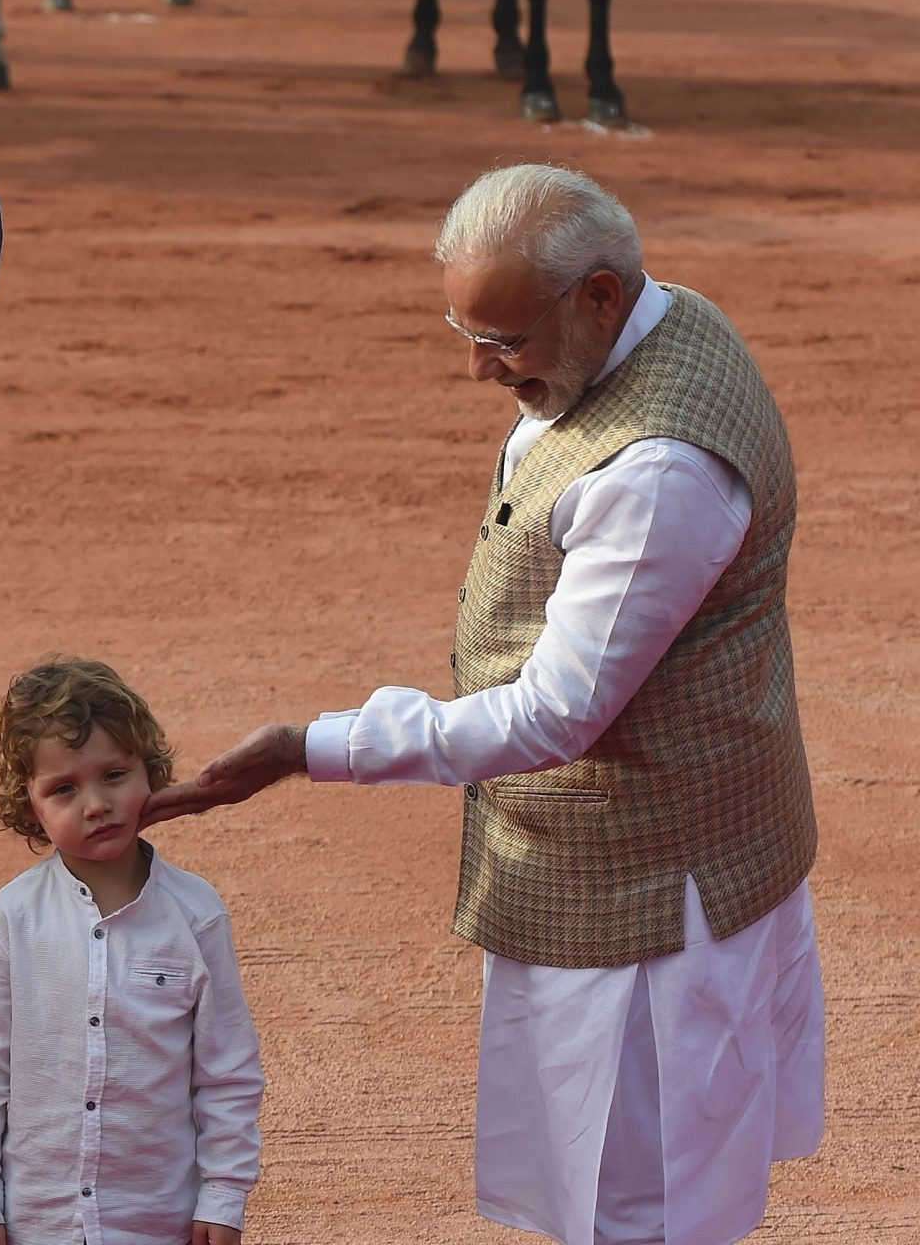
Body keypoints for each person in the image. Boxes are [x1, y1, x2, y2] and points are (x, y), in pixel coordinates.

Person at [148, 163, 824, 1245]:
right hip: (656, 858)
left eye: (504, 340)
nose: (476, 367)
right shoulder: (663, 324)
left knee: (636, 1211)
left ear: (600, 295)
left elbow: (555, 715)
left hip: (647, 904)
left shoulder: (658, 471)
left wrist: (311, 745)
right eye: (463, 328)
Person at [0, 658, 264, 1245]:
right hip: (35, 1223)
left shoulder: (196, 915)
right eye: (63, 788)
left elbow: (226, 1072)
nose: (95, 804)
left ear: (151, 771)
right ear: (29, 805)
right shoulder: (12, 919)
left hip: (158, 1220)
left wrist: (223, 1195)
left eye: (114, 774)